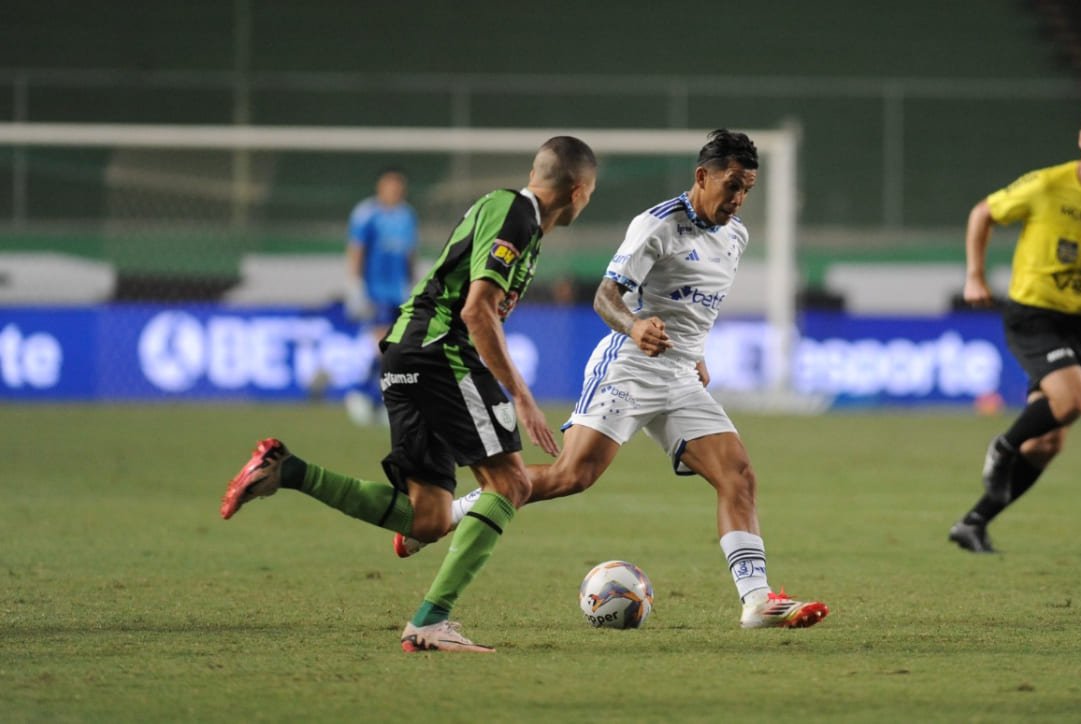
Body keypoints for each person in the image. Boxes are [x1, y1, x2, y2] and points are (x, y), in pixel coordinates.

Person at [396, 130, 829, 630]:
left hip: (680, 375)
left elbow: (694, 306)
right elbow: (605, 296)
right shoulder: (656, 226)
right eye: (731, 185)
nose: (737, 200)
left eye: (747, 189)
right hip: (629, 365)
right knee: (571, 476)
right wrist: (635, 325)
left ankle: (757, 601)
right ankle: (451, 513)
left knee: (739, 475)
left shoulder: (736, 236)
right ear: (702, 176)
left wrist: (697, 353)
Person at [220, 136, 599, 652]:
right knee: (510, 484)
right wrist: (523, 398)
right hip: (440, 350)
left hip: (407, 352)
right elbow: (476, 310)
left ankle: (286, 470)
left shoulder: (510, 214)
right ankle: (430, 621)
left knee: (430, 518)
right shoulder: (516, 214)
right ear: (579, 190)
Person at [949, 96, 1081, 553]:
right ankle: (1003, 448)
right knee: (1074, 400)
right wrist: (974, 275)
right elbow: (982, 213)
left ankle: (974, 522)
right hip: (1033, 314)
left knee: (1049, 442)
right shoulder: (1048, 185)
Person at [344, 166, 418, 426]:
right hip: (375, 291)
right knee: (386, 347)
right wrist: (355, 284)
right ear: (380, 187)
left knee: (396, 348)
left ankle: (374, 399)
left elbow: (409, 253)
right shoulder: (367, 214)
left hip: (399, 292)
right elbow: (357, 250)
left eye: (399, 186)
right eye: (391, 185)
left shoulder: (407, 215)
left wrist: (413, 285)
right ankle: (367, 396)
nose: (395, 191)